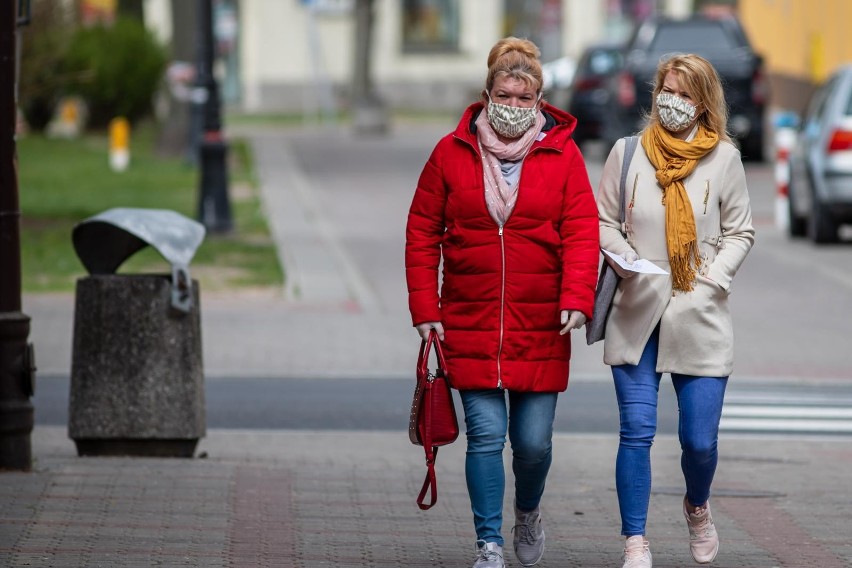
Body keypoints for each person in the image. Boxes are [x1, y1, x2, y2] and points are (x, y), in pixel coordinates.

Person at [405, 37, 599, 568]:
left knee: (532, 444)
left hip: (541, 324)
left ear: (539, 100)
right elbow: (422, 231)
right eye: (505, 96)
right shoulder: (451, 151)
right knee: (486, 437)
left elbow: (582, 232)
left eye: (524, 99)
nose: (513, 107)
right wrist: (426, 309)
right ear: (487, 93)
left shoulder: (562, 153)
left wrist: (577, 297)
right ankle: (488, 544)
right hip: (469, 319)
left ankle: (528, 512)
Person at [596, 53, 755, 568]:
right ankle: (635, 541)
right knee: (636, 431)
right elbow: (603, 222)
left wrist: (714, 277)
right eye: (667, 89)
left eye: (686, 94)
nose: (673, 101)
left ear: (704, 103)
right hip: (637, 306)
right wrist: (625, 260)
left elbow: (740, 231)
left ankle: (697, 505)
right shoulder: (626, 153)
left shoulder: (725, 159)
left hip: (699, 310)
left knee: (699, 441)